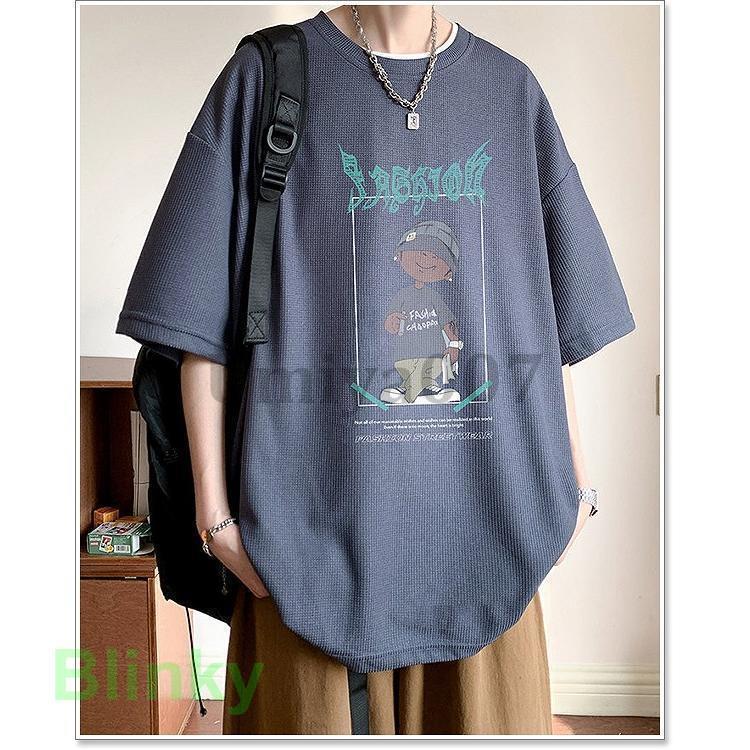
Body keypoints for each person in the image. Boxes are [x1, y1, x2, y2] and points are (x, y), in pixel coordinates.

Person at [117, 3, 635, 735]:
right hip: (304, 532)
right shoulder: (266, 77)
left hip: (484, 529)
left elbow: (544, 320)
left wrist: (577, 488)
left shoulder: (508, 92)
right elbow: (200, 319)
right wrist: (216, 516)